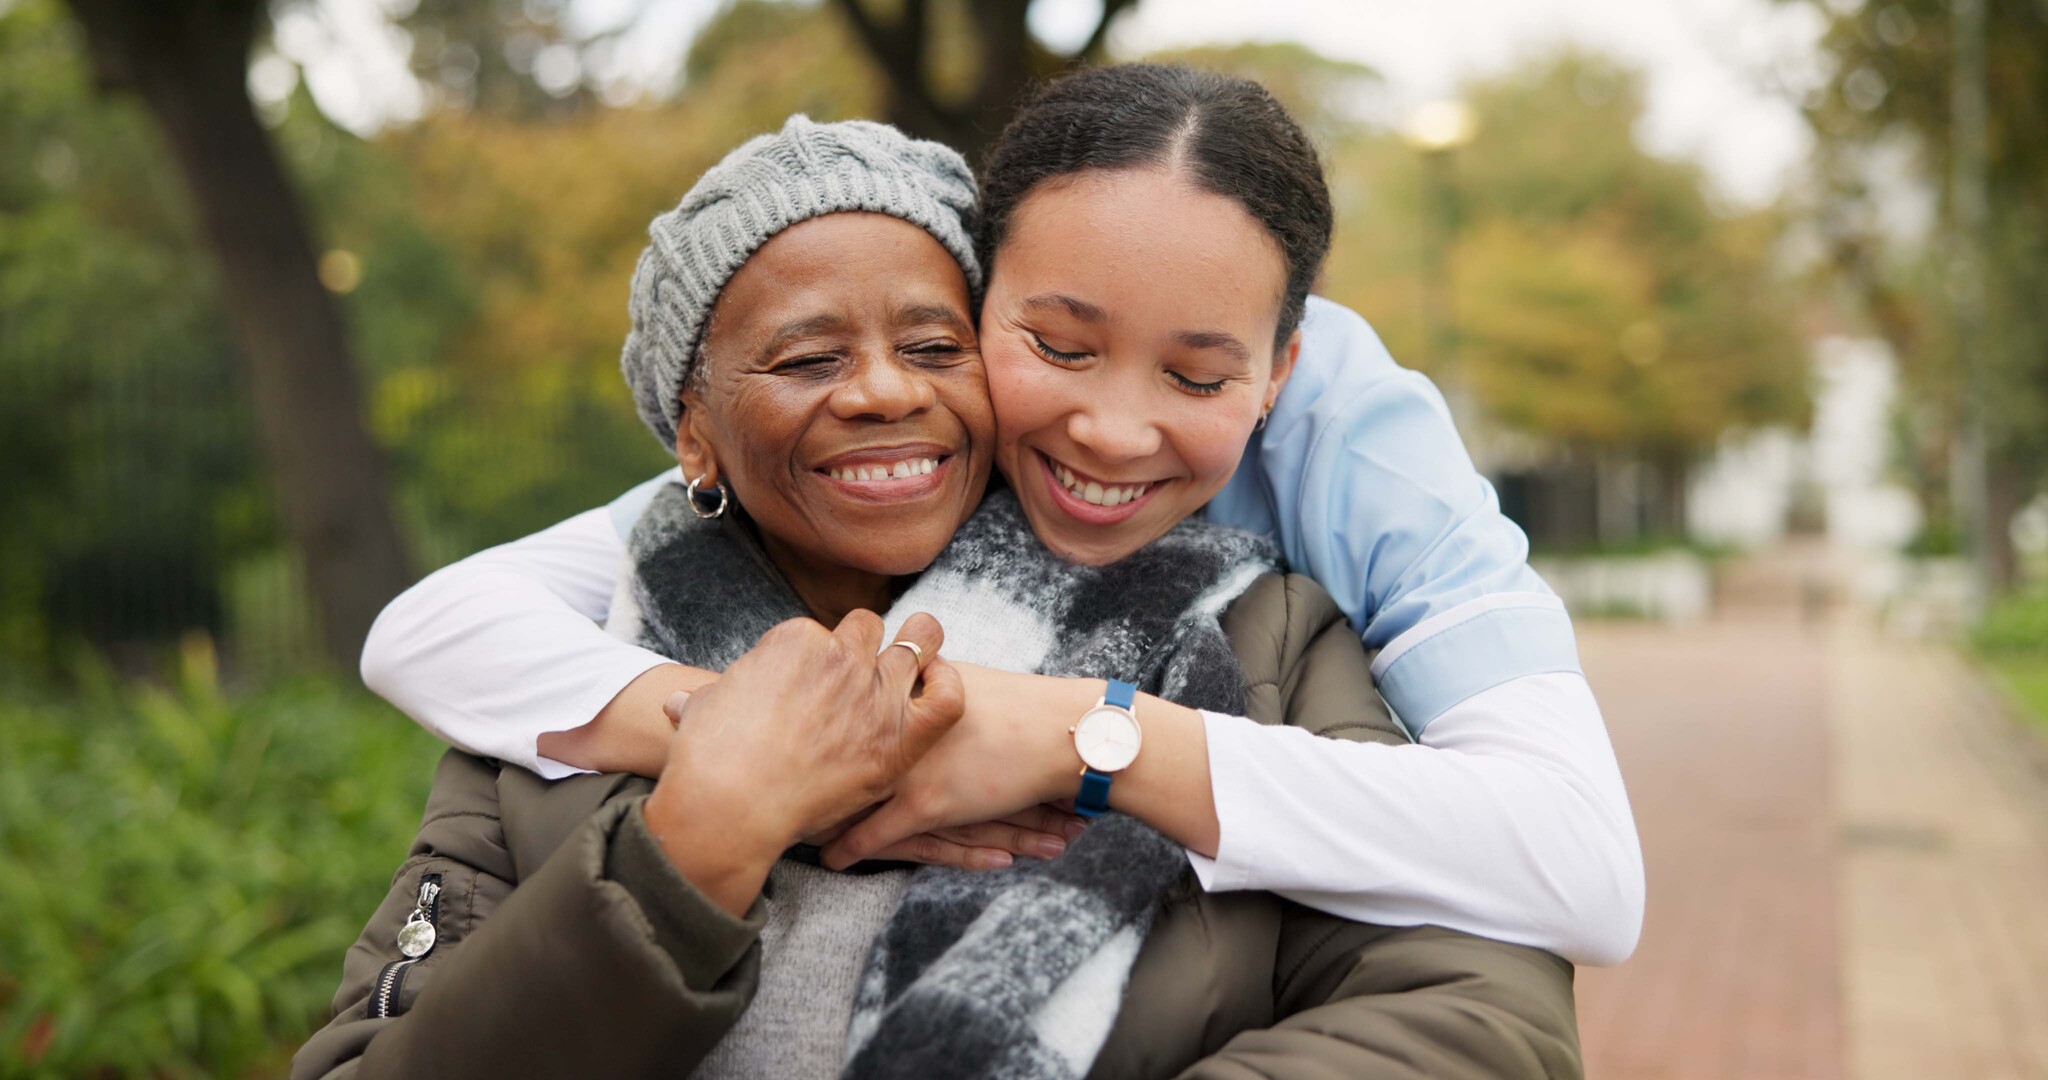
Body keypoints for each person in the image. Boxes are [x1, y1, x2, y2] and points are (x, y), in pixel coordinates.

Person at [295, 111, 1579, 1079]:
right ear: (690, 428)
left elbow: (1480, 1014)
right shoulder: (562, 692)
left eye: (931, 345)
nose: (883, 391)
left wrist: (1082, 737)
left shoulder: (1252, 633)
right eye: (806, 356)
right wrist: (690, 848)